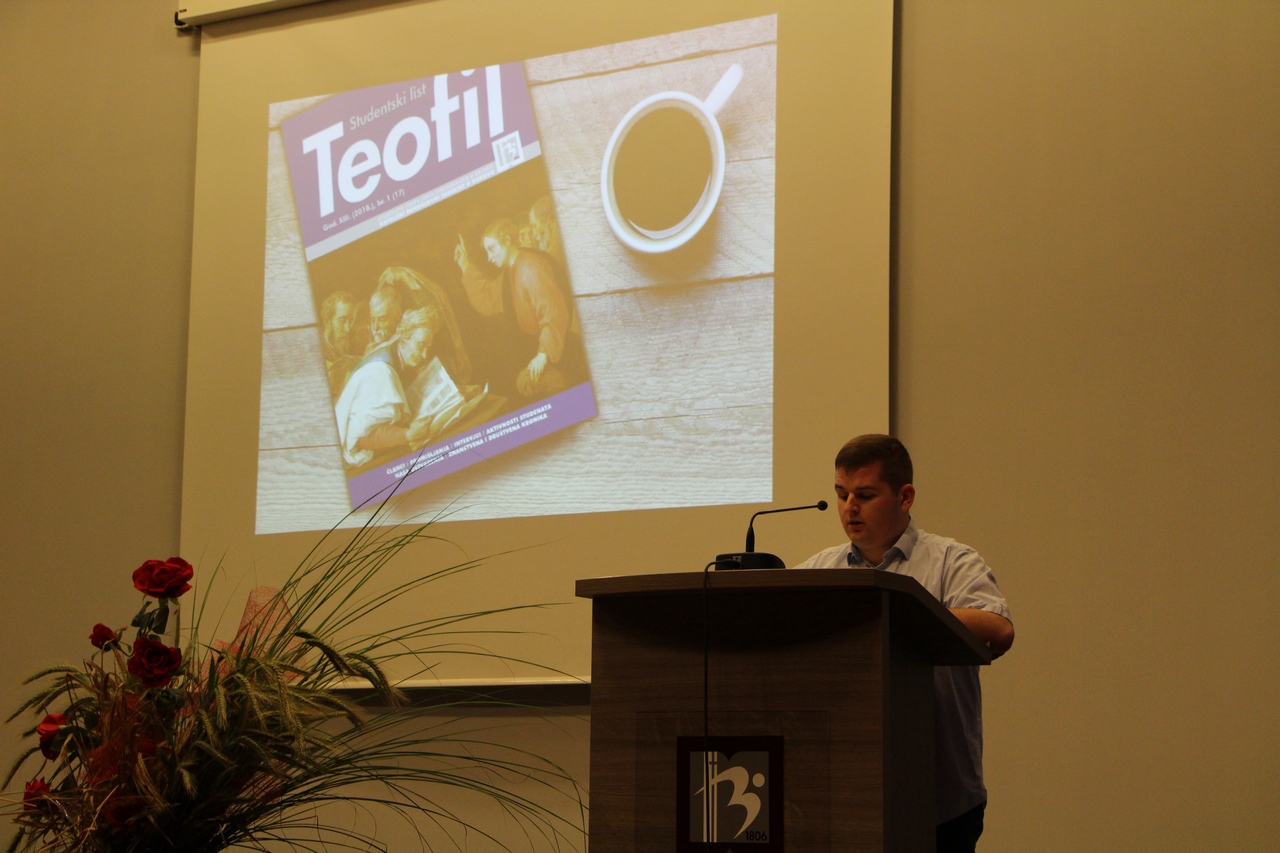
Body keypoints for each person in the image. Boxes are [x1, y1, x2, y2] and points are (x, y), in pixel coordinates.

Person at [795, 434, 1014, 853]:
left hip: (940, 800)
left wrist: (897, 612)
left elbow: (998, 629)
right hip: (844, 795)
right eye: (841, 494)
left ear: (905, 496)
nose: (850, 507)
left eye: (865, 495)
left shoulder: (951, 560)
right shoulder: (820, 569)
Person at [454, 217, 582, 398]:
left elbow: (554, 312)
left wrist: (543, 354)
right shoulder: (510, 271)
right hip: (536, 350)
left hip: (557, 350)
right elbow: (488, 298)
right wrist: (465, 266)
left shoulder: (530, 268)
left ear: (507, 241)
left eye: (492, 249)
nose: (489, 258)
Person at [333, 306, 443, 468]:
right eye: (421, 345)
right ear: (404, 338)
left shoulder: (394, 350)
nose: (424, 354)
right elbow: (361, 436)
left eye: (428, 347)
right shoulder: (381, 372)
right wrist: (408, 435)